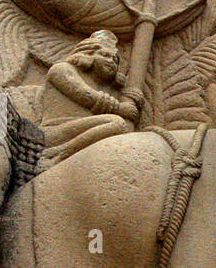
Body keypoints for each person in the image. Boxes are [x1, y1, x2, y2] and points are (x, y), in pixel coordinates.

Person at [37, 30, 141, 170]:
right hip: (54, 132)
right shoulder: (61, 70)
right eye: (105, 55)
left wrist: (131, 95)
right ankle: (57, 154)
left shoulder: (104, 87)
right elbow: (86, 96)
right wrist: (120, 108)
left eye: (115, 60)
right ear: (87, 54)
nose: (111, 62)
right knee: (116, 123)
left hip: (84, 129)